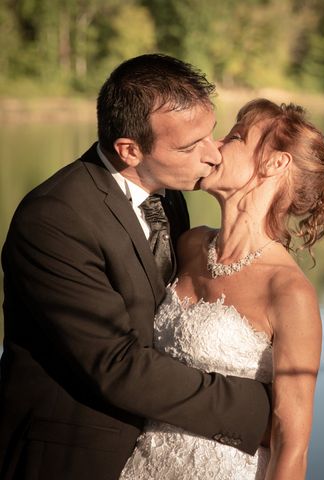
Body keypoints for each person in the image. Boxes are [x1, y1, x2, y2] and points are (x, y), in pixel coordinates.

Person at [0, 54, 271, 480]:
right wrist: (263, 410)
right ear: (129, 149)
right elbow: (116, 365)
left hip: (156, 452)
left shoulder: (169, 196)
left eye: (211, 135)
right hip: (71, 458)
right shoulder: (55, 217)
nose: (212, 155)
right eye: (188, 146)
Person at [119, 98, 324, 479]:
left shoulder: (289, 291)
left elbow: (291, 444)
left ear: (275, 163)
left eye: (237, 137)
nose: (215, 146)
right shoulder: (189, 244)